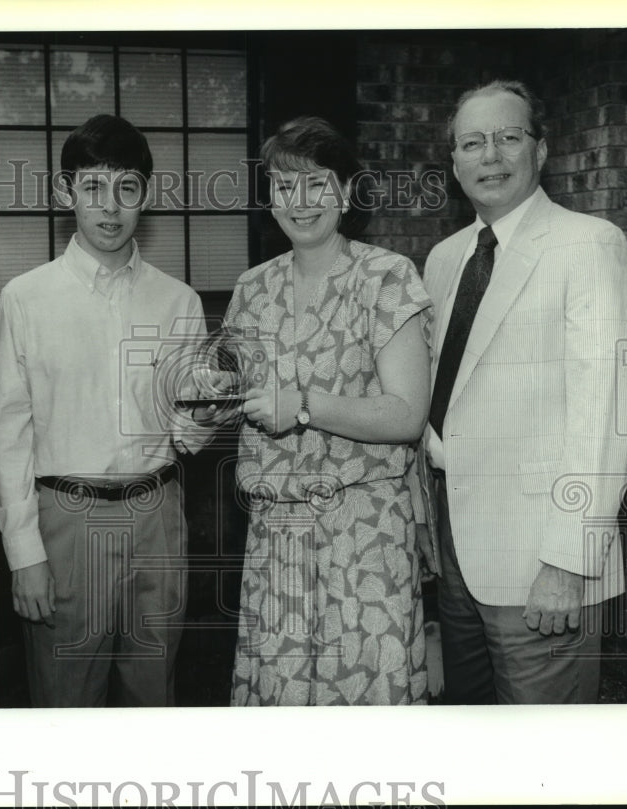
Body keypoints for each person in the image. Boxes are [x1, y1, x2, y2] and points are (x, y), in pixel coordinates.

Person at [423, 79, 627, 704]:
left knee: (546, 761)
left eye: (507, 137)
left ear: (540, 150)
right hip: (456, 552)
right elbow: (447, 401)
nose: (489, 156)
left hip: (543, 562)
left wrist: (569, 560)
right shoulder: (444, 259)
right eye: (472, 142)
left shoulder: (589, 246)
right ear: (454, 162)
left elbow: (610, 416)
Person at [0, 114, 215, 707]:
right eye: (92, 187)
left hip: (157, 513)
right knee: (65, 701)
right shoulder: (26, 298)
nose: (110, 207)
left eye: (127, 188)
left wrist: (211, 410)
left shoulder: (178, 301)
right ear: (67, 194)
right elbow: (8, 433)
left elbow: (189, 432)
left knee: (152, 695)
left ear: (146, 195)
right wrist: (24, 553)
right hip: (65, 517)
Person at [223, 116, 434, 706]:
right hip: (279, 534)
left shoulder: (386, 278)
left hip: (365, 533)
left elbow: (405, 415)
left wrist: (307, 407)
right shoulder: (251, 289)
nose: (301, 200)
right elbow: (240, 397)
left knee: (366, 697)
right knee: (286, 700)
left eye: (317, 183)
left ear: (344, 193)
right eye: (285, 187)